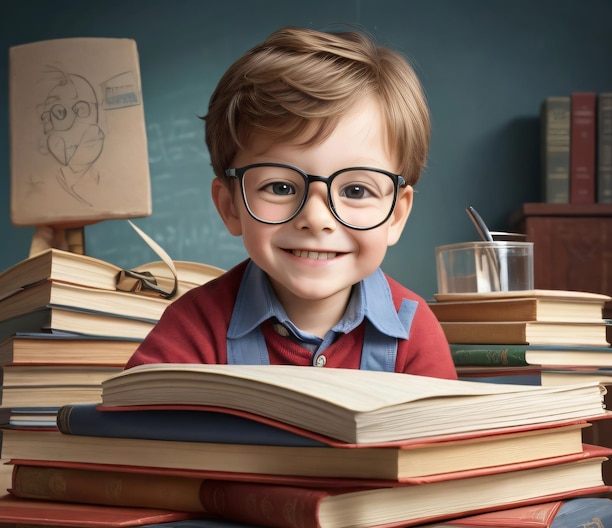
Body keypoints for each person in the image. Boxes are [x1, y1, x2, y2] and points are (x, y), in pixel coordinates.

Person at [126, 26, 456, 379]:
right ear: (230, 207)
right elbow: (129, 425)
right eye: (281, 187)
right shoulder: (194, 326)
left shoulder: (414, 329)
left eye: (356, 191)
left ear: (396, 215)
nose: (316, 219)